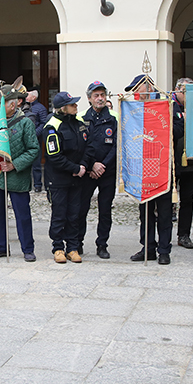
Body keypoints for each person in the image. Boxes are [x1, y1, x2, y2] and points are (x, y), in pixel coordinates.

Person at [0, 80, 39, 262]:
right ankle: (0, 246)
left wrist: (15, 164)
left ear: (13, 104)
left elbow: (33, 149)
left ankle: (27, 249)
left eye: (1, 103)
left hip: (18, 177)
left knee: (22, 214)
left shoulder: (25, 123)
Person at [128, 73, 178, 265]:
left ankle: (164, 250)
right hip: (141, 169)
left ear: (147, 87)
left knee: (165, 213)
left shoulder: (166, 105)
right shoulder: (135, 108)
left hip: (162, 167)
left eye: (136, 89)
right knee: (145, 213)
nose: (134, 93)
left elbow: (179, 130)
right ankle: (147, 247)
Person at [43, 91, 88, 263]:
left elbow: (87, 145)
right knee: (60, 214)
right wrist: (75, 168)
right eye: (72, 104)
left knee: (74, 214)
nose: (76, 106)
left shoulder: (79, 123)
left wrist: (83, 166)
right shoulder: (52, 126)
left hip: (77, 178)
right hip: (59, 179)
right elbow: (53, 156)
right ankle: (58, 247)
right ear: (63, 108)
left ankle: (72, 247)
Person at [81, 81, 117, 259]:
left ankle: (102, 244)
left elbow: (116, 146)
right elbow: (80, 146)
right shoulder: (82, 119)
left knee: (105, 210)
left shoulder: (113, 119)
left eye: (103, 94)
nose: (100, 98)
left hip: (107, 172)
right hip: (88, 172)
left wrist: (102, 165)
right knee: (81, 208)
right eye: (96, 95)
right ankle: (77, 242)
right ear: (89, 98)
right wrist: (91, 165)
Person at [172, 78, 193, 249]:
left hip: (191, 160)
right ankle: (164, 234)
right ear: (177, 91)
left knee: (188, 200)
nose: (189, 96)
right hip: (172, 161)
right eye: (186, 92)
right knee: (167, 200)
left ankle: (184, 235)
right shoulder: (168, 105)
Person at [25, 89, 50, 193]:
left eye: (28, 96)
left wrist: (35, 134)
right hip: (25, 139)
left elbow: (44, 123)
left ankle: (38, 185)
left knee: (36, 164)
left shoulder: (40, 108)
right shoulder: (25, 108)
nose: (26, 97)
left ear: (33, 97)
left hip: (36, 140)